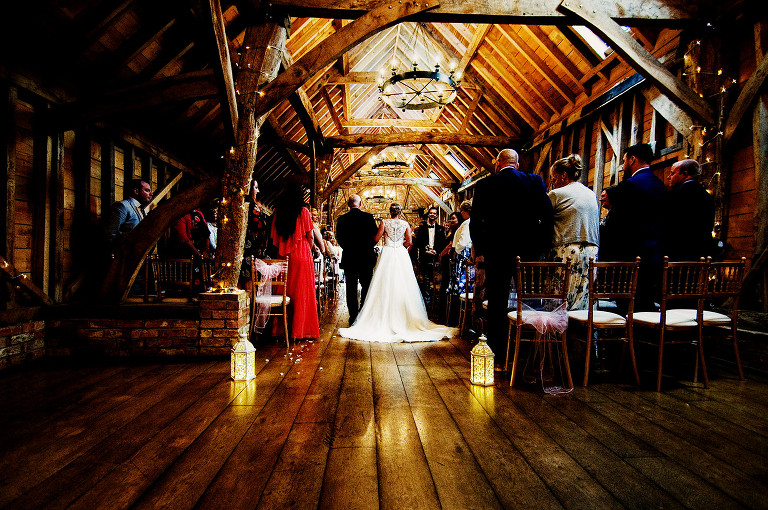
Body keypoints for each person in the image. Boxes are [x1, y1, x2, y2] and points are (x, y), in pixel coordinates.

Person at [470, 148, 553, 367]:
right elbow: (547, 214)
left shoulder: (485, 185)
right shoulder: (534, 181)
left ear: (498, 164)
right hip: (529, 252)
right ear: (517, 164)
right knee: (532, 301)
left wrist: (481, 249)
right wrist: (541, 245)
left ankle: (499, 355)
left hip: (497, 252)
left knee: (498, 303)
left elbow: (476, 221)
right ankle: (531, 354)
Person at [338, 203, 456, 342]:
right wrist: (399, 245)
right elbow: (409, 241)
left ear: (390, 211)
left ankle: (379, 315)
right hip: (400, 253)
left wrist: (387, 242)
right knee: (403, 283)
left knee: (384, 282)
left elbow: (376, 239)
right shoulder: (405, 223)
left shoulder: (384, 222)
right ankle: (404, 316)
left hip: (387, 252)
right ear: (400, 212)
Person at [611, 142, 666, 310]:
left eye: (625, 160)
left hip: (630, 254)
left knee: (627, 302)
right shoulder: (660, 184)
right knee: (646, 300)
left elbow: (618, 222)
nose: (624, 165)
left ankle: (626, 334)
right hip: (654, 253)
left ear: (633, 159)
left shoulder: (629, 185)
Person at [270, 185, 326, 340]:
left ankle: (281, 331)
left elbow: (274, 238)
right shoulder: (303, 211)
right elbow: (310, 236)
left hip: (283, 255)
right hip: (302, 254)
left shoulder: (278, 212)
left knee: (284, 291)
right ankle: (301, 330)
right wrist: (312, 247)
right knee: (302, 293)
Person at [548, 154, 600, 310]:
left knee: (561, 300)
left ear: (563, 175)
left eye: (554, 179)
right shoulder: (591, 194)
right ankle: (583, 332)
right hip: (591, 253)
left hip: (567, 252)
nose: (553, 183)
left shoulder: (557, 194)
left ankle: (560, 334)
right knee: (583, 300)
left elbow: (543, 221)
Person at [336, 194, 378, 326]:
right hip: (366, 258)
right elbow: (375, 237)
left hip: (350, 258)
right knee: (366, 287)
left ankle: (353, 317)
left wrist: (348, 248)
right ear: (360, 204)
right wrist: (367, 248)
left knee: (351, 289)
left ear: (349, 204)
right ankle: (363, 314)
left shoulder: (342, 219)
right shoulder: (369, 217)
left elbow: (339, 238)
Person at [663, 159, 715, 261]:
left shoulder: (675, 195)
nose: (669, 177)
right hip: (700, 255)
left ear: (684, 174)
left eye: (672, 173)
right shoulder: (706, 195)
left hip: (677, 255)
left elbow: (666, 225)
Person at [412, 206, 447, 311]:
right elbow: (417, 243)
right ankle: (426, 307)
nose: (432, 215)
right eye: (431, 213)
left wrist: (436, 251)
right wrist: (424, 250)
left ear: (437, 216)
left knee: (437, 283)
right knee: (426, 282)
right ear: (428, 214)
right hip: (425, 258)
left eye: (434, 213)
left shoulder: (441, 229)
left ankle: (436, 306)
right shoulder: (421, 228)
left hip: (436, 259)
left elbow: (443, 244)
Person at [102, 178, 152, 247]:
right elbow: (109, 233)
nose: (151, 194)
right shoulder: (123, 206)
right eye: (147, 190)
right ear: (136, 191)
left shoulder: (142, 210)